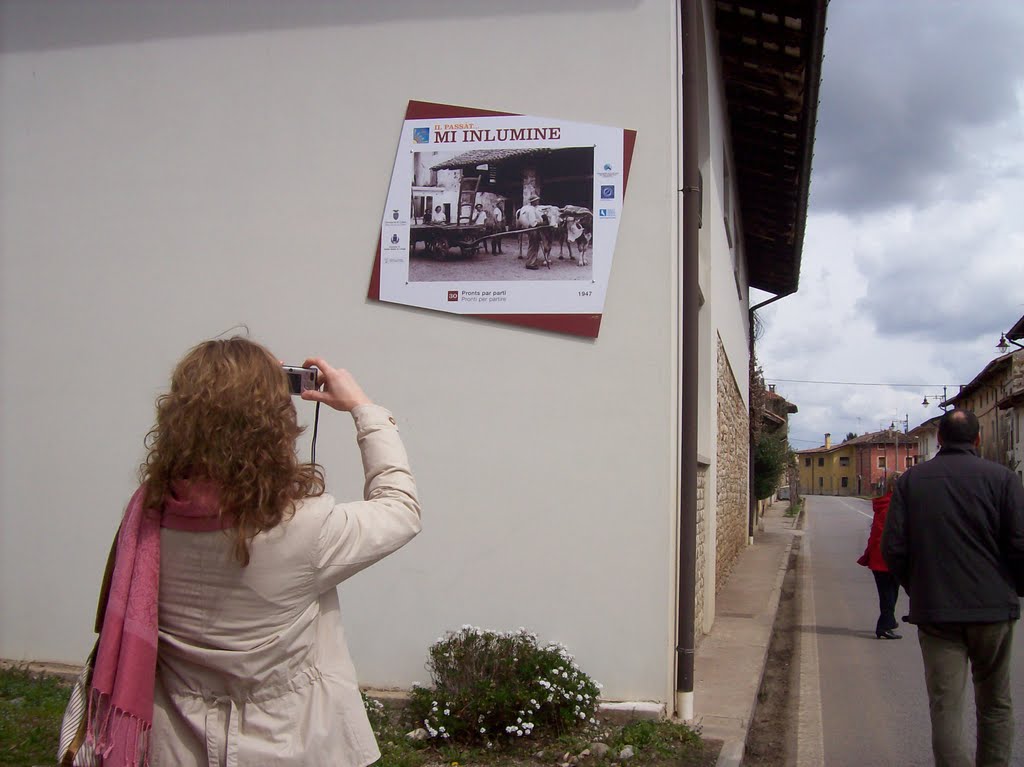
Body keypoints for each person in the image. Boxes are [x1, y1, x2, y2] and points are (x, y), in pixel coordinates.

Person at [86, 337, 421, 767]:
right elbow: (400, 509)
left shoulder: (150, 515)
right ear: (274, 423)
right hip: (288, 744)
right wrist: (364, 408)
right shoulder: (306, 530)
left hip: (171, 742)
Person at [883, 408, 1024, 767]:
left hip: (937, 612)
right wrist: (1013, 589)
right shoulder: (1005, 480)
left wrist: (918, 587)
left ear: (939, 440)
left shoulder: (912, 481)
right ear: (978, 440)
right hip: (993, 611)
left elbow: (894, 548)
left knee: (945, 706)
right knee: (996, 703)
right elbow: (1020, 545)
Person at [856, 471, 903, 639]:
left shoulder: (885, 504)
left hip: (880, 557)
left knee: (890, 592)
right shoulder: (894, 507)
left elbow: (876, 534)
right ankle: (884, 626)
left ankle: (889, 621)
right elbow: (890, 535)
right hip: (888, 558)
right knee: (889, 593)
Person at [517, 194, 543, 270]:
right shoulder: (531, 209)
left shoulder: (525, 208)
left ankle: (530, 261)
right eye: (537, 200)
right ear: (533, 202)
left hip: (529, 229)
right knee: (534, 247)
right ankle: (531, 263)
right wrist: (542, 222)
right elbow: (533, 223)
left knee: (531, 246)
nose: (538, 202)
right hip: (533, 230)